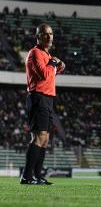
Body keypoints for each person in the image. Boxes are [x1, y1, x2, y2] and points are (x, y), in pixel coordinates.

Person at [21, 23, 65, 185]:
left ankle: (37, 176)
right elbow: (43, 75)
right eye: (45, 34)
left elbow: (51, 73)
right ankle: (27, 176)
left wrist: (59, 67)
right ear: (38, 36)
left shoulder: (46, 55)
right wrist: (53, 63)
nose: (49, 36)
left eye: (51, 33)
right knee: (38, 137)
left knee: (44, 139)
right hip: (38, 97)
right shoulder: (35, 53)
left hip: (47, 98)